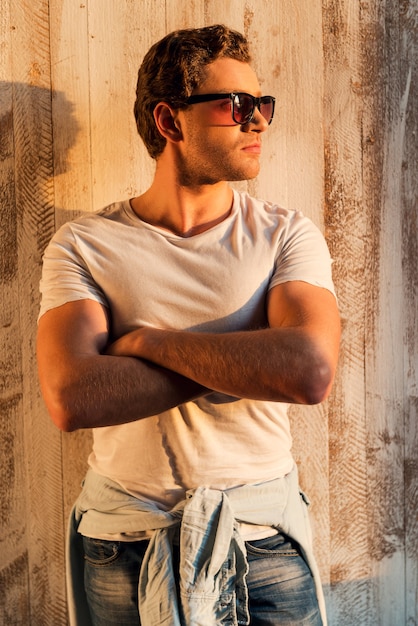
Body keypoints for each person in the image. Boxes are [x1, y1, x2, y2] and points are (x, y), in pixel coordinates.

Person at [37, 24, 340, 626]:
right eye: (237, 106)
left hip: (263, 542)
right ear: (170, 121)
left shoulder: (286, 234)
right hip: (124, 543)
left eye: (262, 105)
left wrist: (148, 343)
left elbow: (308, 372)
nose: (258, 121)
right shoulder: (83, 245)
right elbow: (72, 396)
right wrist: (256, 363)